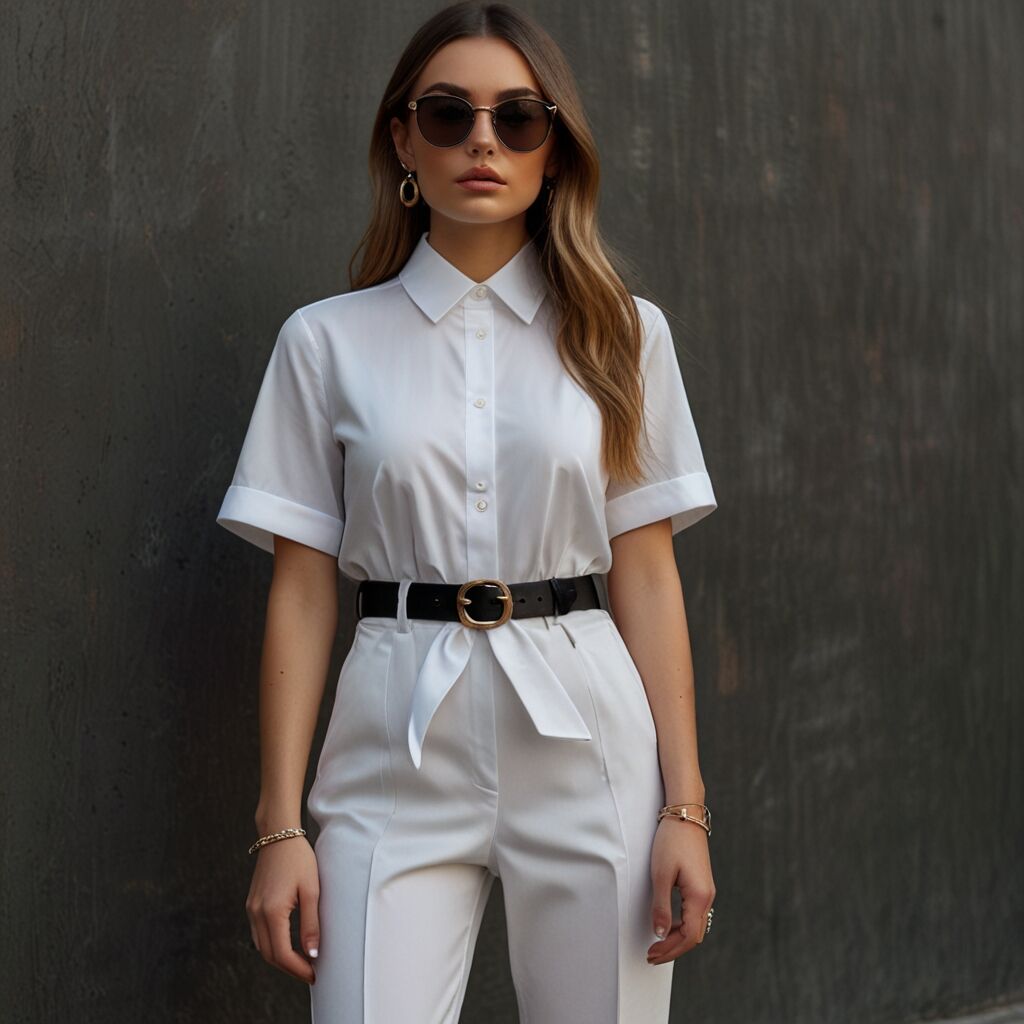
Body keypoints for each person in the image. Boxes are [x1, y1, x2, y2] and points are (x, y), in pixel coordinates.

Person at [215, 2, 718, 1020]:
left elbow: (648, 573)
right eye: (447, 115)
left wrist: (685, 808)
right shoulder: (325, 343)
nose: (481, 140)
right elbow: (304, 593)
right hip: (393, 737)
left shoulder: (625, 334)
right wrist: (280, 828)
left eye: (517, 117)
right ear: (403, 139)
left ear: (553, 147)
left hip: (587, 736)